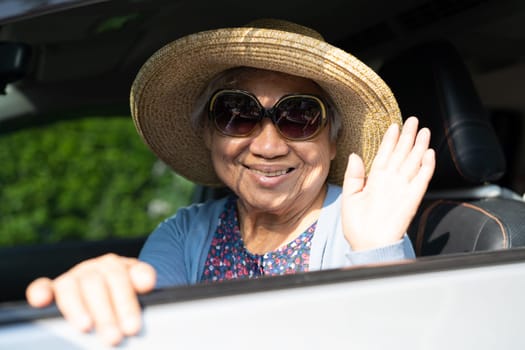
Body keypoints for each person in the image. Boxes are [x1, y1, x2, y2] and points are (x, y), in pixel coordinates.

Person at [26, 19, 435, 345]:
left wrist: (376, 252)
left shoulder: (360, 222)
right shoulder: (184, 233)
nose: (269, 146)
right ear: (209, 134)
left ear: (331, 144)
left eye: (299, 118)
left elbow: (403, 335)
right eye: (237, 114)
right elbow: (147, 325)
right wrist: (109, 289)